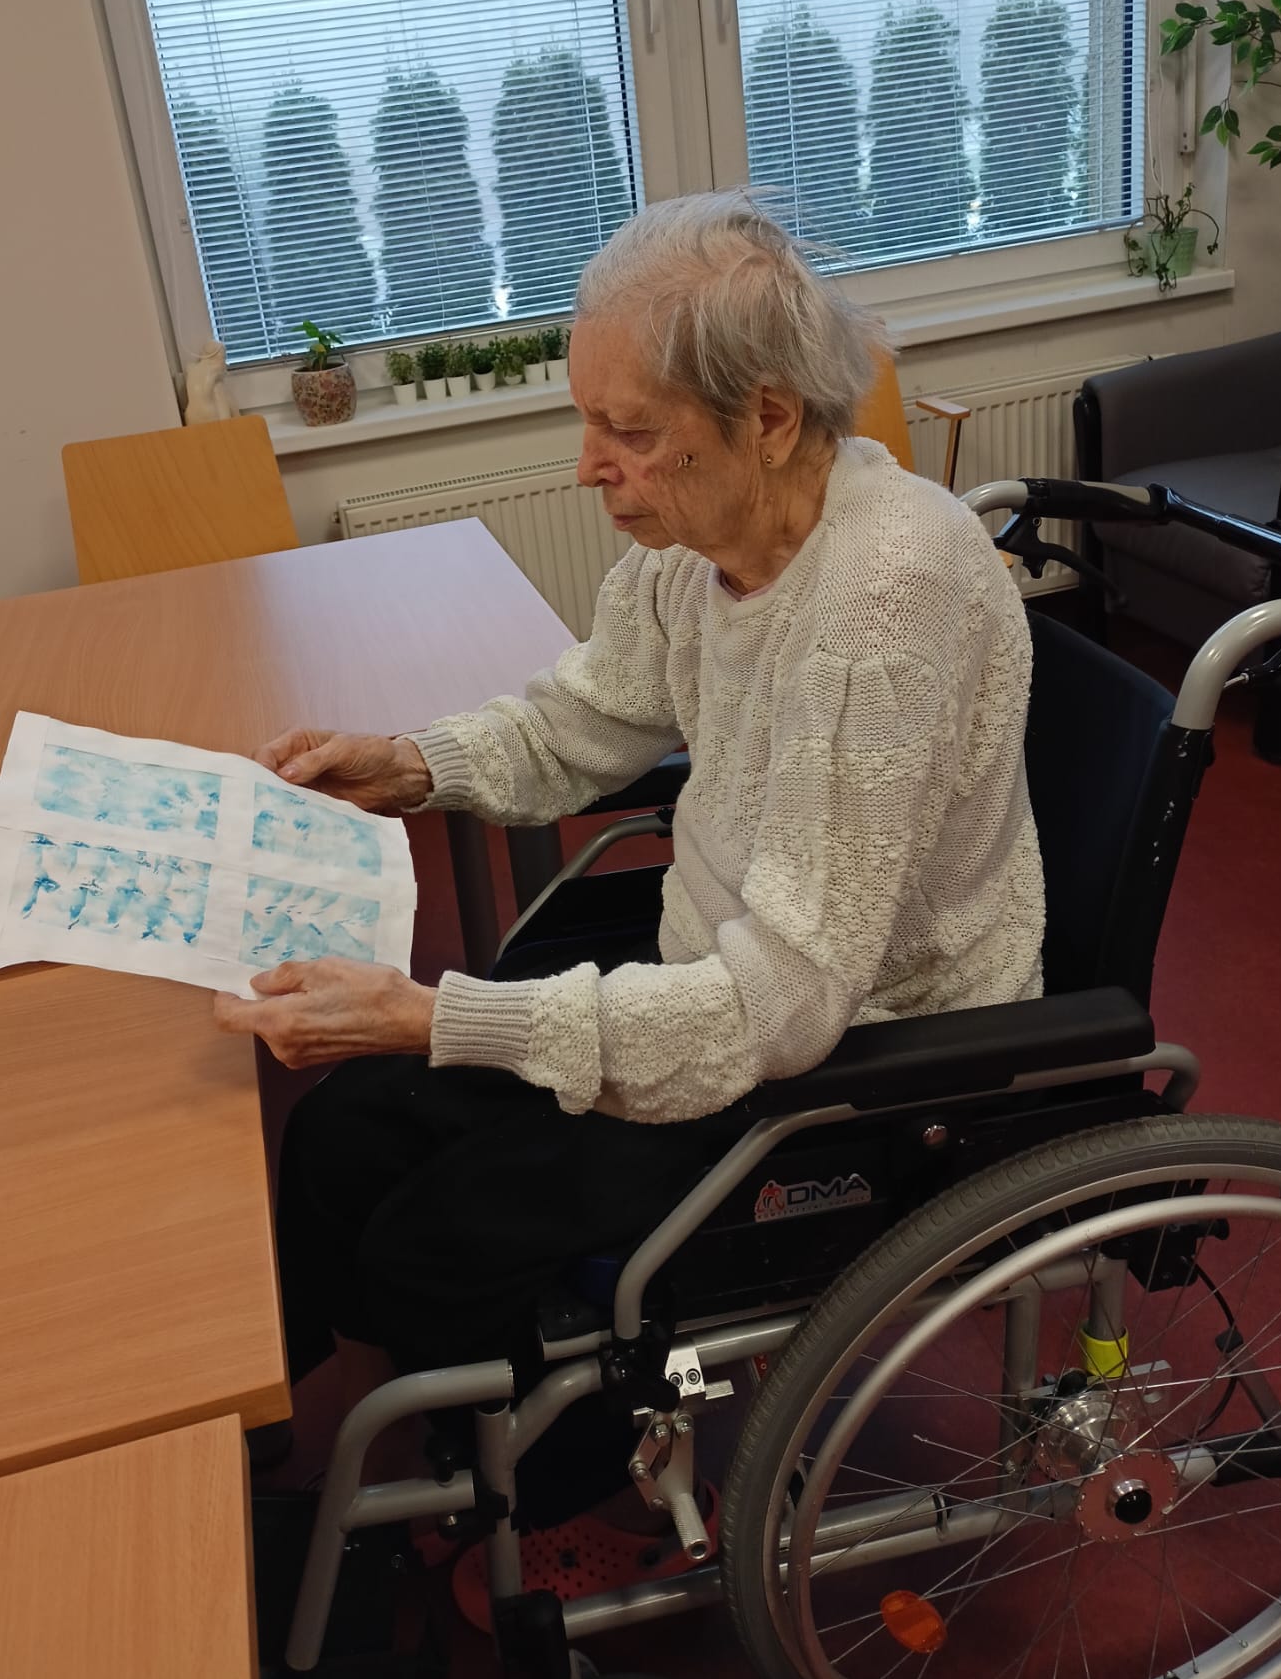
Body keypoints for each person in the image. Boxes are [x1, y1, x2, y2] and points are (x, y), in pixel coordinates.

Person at [214, 190, 1044, 1398]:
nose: (589, 465)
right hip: (709, 976)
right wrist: (405, 763)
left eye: (630, 429)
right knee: (342, 1131)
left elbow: (785, 1008)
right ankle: (275, 1417)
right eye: (588, 420)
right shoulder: (706, 541)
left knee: (426, 1243)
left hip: (857, 1056)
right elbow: (581, 718)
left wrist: (434, 1015)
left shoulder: (879, 603)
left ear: (768, 418)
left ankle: (533, 1471)